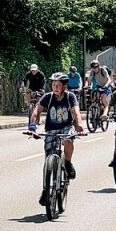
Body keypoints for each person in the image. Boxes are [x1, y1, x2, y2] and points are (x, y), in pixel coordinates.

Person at [29, 72, 85, 205]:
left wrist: (80, 125)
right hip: (51, 129)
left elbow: (76, 112)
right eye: (53, 85)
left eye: (58, 85)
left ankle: (68, 163)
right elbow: (37, 111)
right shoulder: (47, 97)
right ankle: (45, 190)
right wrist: (32, 126)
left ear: (64, 86)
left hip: (66, 126)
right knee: (48, 158)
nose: (55, 88)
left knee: (67, 140)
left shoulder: (70, 96)